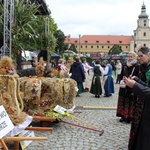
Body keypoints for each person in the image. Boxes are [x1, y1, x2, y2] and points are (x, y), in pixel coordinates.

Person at [124, 47, 150, 150]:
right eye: (138, 56)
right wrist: (136, 81)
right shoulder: (143, 68)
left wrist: (135, 85)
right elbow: (147, 86)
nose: (139, 58)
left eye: (141, 56)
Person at [116, 51, 140, 123]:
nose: (130, 58)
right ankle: (123, 115)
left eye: (131, 56)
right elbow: (121, 74)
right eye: (129, 56)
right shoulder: (124, 65)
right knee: (123, 100)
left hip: (132, 85)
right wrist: (122, 78)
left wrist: (132, 79)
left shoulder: (137, 66)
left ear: (134, 57)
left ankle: (130, 117)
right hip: (124, 85)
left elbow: (138, 76)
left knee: (131, 101)